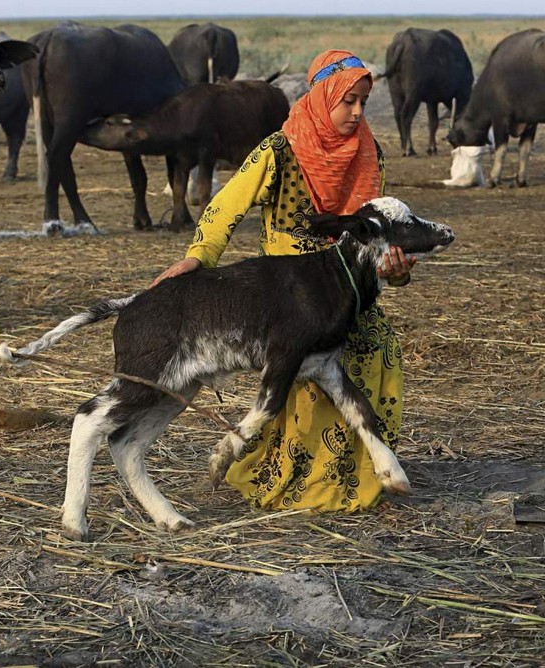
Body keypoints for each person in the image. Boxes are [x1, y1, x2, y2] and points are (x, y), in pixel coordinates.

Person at [151, 50, 415, 513]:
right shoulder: (280, 150)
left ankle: (360, 477)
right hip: (287, 292)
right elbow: (224, 207)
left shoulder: (370, 153)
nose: (356, 113)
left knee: (376, 348)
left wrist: (397, 271)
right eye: (347, 101)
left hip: (346, 290)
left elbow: (376, 237)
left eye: (363, 103)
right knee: (301, 364)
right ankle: (301, 482)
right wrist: (198, 258)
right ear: (321, 97)